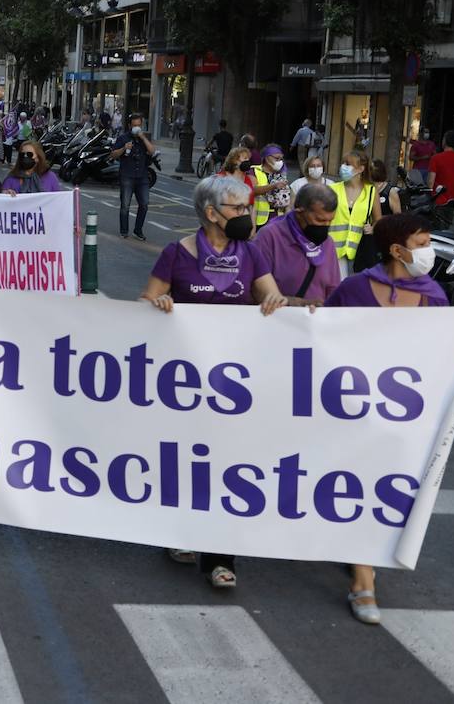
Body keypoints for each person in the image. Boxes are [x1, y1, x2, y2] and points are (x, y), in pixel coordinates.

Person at [324, 212, 454, 625]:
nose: (429, 251)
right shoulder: (355, 288)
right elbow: (319, 338)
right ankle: (363, 580)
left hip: (404, 420)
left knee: (386, 493)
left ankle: (361, 552)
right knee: (355, 486)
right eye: (422, 242)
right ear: (397, 249)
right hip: (353, 411)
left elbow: (441, 351)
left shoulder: (433, 294)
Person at [140, 174, 287, 588]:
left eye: (247, 207)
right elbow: (144, 301)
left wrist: (277, 302)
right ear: (211, 213)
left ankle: (221, 559)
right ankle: (180, 531)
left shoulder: (252, 253)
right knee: (185, 461)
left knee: (226, 465)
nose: (247, 215)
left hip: (232, 382)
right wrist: (158, 303)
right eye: (238, 208)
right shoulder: (176, 253)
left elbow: (268, 296)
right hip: (182, 381)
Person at [255, 184, 342, 307]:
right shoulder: (269, 237)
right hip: (277, 321)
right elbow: (256, 291)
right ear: (299, 213)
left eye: (330, 221)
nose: (325, 226)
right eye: (319, 220)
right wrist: (296, 304)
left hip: (315, 322)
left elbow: (333, 290)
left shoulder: (327, 243)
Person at [329, 150, 381, 278]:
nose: (343, 167)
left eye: (348, 164)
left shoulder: (371, 192)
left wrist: (373, 228)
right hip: (333, 251)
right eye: (343, 163)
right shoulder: (333, 189)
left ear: (361, 169)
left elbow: (378, 219)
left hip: (360, 251)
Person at [110, 113, 156, 240]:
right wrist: (124, 148)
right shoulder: (123, 138)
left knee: (145, 204)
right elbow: (113, 155)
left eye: (139, 125)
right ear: (130, 125)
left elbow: (152, 151)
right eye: (135, 125)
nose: (137, 128)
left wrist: (143, 137)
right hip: (127, 175)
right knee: (125, 205)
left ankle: (138, 230)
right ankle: (124, 231)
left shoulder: (143, 138)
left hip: (142, 176)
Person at [428, 130, 454, 230]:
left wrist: (429, 198)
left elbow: (430, 182)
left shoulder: (436, 158)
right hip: (451, 202)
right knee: (446, 230)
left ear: (445, 141)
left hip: (437, 201)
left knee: (435, 231)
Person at [250, 145, 292, 230]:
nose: (279, 162)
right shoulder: (254, 171)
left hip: (278, 220)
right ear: (266, 158)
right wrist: (273, 186)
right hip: (259, 221)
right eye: (276, 158)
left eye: (281, 159)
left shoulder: (281, 174)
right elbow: (252, 190)